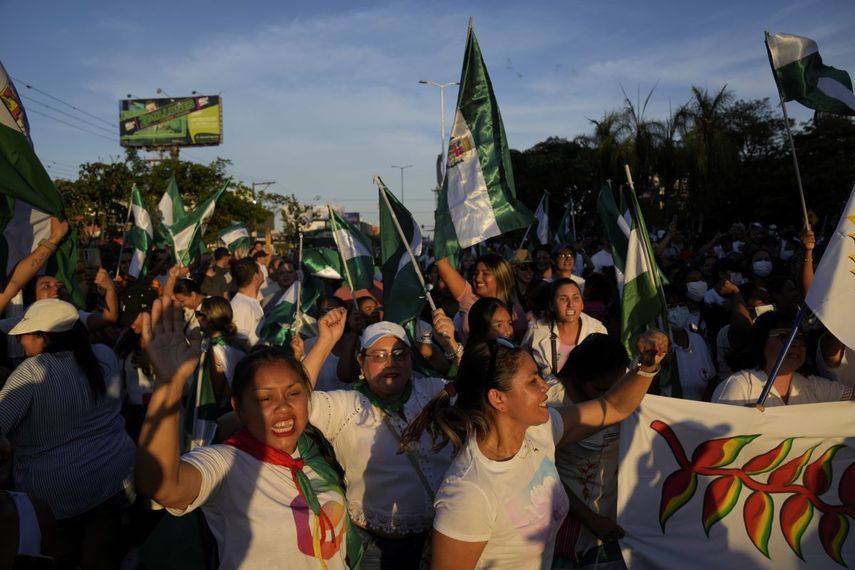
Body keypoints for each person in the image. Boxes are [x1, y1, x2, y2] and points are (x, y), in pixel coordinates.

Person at [400, 330, 668, 569]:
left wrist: (646, 366)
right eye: (532, 381)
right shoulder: (470, 492)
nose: (544, 387)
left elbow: (614, 407)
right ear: (498, 398)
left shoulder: (540, 432)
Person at [135, 298, 359, 569]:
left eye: (293, 394)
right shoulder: (227, 463)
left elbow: (294, 390)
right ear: (238, 408)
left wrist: (325, 341)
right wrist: (169, 385)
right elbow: (162, 485)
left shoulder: (313, 449)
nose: (283, 407)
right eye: (264, 399)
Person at [300, 317, 453, 568]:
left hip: (436, 542)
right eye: (379, 356)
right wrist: (325, 342)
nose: (390, 363)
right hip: (376, 550)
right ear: (361, 361)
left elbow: (483, 392)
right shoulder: (346, 405)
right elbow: (295, 403)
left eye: (399, 354)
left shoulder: (433, 392)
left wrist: (451, 344)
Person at [0, 299, 135, 569]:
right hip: (115, 475)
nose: (21, 342)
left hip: (56, 494)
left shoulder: (31, 372)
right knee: (100, 557)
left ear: (46, 339)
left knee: (63, 558)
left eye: (26, 335)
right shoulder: (103, 356)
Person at [551, 334, 629, 569]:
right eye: (601, 389)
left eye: (618, 386)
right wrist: (592, 520)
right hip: (565, 528)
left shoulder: (626, 394)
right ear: (578, 378)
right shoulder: (551, 400)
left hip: (613, 527)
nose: (611, 397)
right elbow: (542, 474)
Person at [712, 311, 855, 406]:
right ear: (761, 341)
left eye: (800, 338)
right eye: (784, 336)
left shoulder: (813, 386)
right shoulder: (739, 386)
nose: (795, 343)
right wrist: (741, 421)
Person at [522, 278, 607, 384]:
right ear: (552, 305)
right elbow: (522, 367)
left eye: (576, 298)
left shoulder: (597, 330)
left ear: (582, 304)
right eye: (563, 299)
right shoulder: (537, 330)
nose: (570, 304)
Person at [436, 253, 527, 342]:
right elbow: (442, 265)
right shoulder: (468, 297)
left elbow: (520, 348)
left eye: (485, 274)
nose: (478, 278)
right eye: (476, 273)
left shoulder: (515, 312)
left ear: (500, 276)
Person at [229, 258, 264, 348]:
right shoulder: (241, 308)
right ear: (256, 277)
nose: (263, 273)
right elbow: (240, 347)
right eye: (260, 271)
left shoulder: (250, 302)